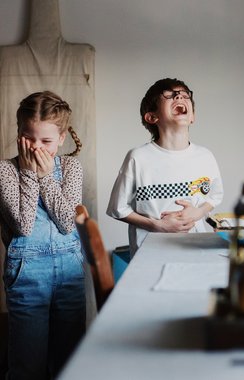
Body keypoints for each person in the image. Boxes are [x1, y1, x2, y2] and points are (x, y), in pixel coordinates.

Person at [0, 91, 85, 380]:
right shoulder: (6, 171)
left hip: (70, 271)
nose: (36, 148)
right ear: (19, 132)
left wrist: (46, 177)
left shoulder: (71, 167)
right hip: (27, 274)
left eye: (46, 141)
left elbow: (66, 223)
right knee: (28, 366)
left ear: (61, 139)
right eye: (28, 138)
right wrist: (27, 172)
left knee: (70, 363)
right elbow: (23, 225)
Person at [107, 78, 224, 256]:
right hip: (151, 256)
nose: (180, 97)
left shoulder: (205, 157)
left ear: (192, 117)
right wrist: (158, 225)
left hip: (197, 251)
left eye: (185, 95)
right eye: (170, 96)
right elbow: (118, 208)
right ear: (152, 117)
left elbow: (215, 196)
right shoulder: (138, 158)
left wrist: (198, 213)